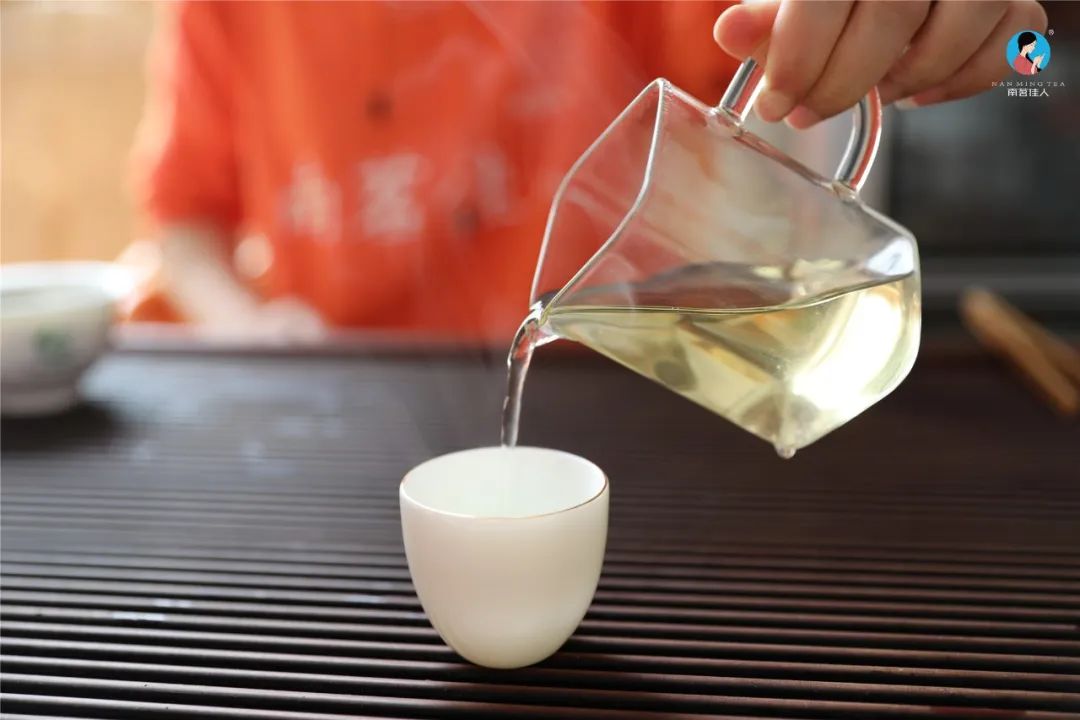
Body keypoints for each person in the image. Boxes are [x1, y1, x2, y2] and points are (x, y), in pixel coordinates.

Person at [126, 0, 1047, 343]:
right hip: (339, 385)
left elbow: (758, 37)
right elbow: (186, 212)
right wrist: (248, 327)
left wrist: (874, 26)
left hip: (607, 374)